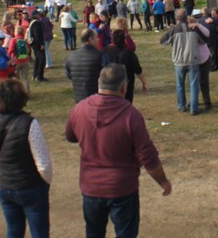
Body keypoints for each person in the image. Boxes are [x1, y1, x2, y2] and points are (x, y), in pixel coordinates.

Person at [65, 64, 171, 238]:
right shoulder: (131, 115)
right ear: (124, 87)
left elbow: (70, 136)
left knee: (93, 232)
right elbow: (148, 156)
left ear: (99, 82)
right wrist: (163, 181)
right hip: (122, 189)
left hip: (91, 186)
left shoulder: (79, 109)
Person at [0, 79, 52, 238]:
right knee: (39, 233)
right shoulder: (30, 124)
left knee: (14, 230)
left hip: (3, 183)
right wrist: (45, 184)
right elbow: (43, 165)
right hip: (30, 187)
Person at [160, 9, 208, 115]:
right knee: (194, 84)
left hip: (179, 61)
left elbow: (162, 41)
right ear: (187, 17)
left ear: (177, 18)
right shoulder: (193, 29)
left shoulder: (174, 29)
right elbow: (204, 40)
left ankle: (181, 105)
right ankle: (194, 108)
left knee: (180, 85)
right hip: (192, 59)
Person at [105, 29, 147, 103]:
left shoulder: (105, 51)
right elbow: (137, 70)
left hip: (109, 83)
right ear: (124, 40)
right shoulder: (129, 53)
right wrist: (144, 82)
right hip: (126, 84)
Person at [65, 28, 104, 103]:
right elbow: (108, 74)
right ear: (90, 39)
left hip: (79, 96)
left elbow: (68, 74)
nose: (98, 39)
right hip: (96, 96)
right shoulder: (100, 55)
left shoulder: (72, 56)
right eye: (96, 37)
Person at [8, 26, 32, 94]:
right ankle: (27, 91)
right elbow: (29, 49)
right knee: (25, 78)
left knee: (16, 78)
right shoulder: (24, 40)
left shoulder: (13, 40)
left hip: (16, 61)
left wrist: (9, 58)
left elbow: (10, 50)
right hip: (25, 61)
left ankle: (18, 92)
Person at [28, 10, 47, 82]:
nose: (39, 15)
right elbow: (38, 35)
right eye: (38, 14)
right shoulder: (37, 23)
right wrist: (41, 44)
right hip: (38, 44)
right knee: (42, 60)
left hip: (34, 43)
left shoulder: (32, 23)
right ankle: (39, 76)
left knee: (37, 59)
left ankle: (35, 75)